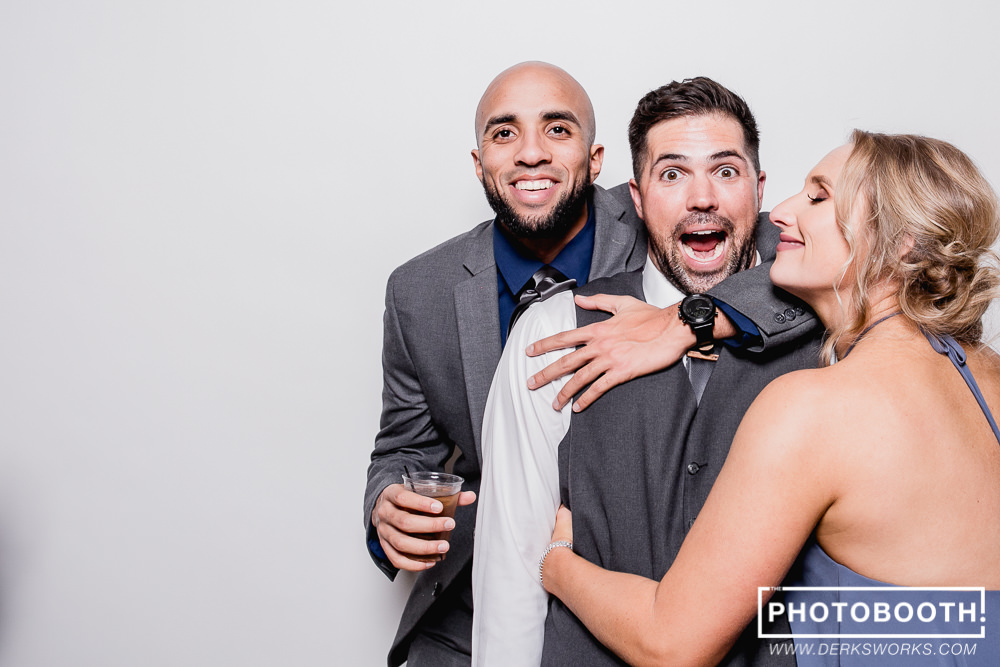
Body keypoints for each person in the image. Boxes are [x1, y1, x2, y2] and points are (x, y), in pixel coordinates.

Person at [539, 130, 1000, 666]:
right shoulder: (987, 374)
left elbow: (671, 645)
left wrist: (558, 566)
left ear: (903, 242)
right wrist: (693, 321)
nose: (779, 213)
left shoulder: (813, 409)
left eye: (818, 197)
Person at [472, 77, 822, 666]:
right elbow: (513, 561)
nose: (702, 198)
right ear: (637, 198)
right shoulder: (557, 327)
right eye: (672, 174)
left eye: (726, 171)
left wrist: (687, 322)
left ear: (759, 189)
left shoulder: (826, 318)